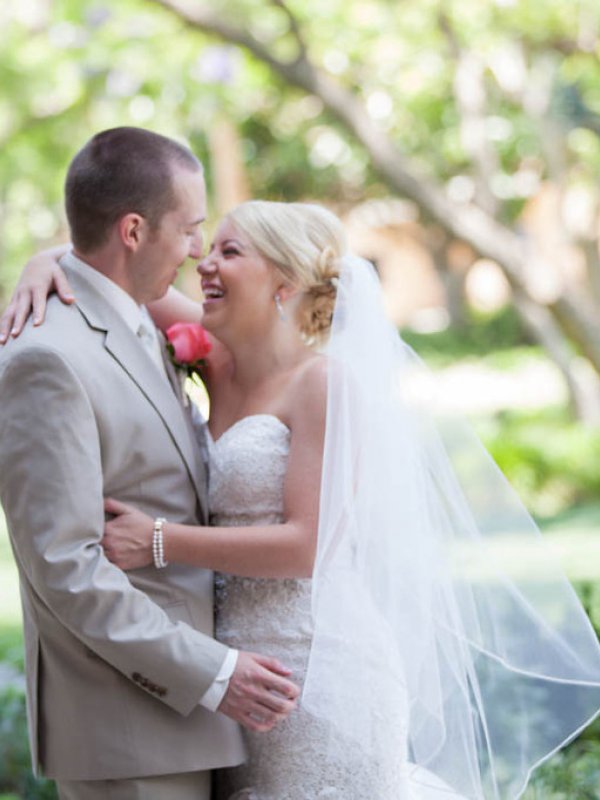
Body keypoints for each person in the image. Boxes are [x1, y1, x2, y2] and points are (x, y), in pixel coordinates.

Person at [5, 200, 600, 799]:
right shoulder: (215, 360)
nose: (202, 264)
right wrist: (41, 263)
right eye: (208, 248)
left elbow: (305, 544)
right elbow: (112, 266)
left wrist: (159, 540)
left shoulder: (324, 384)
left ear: (283, 283)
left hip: (319, 676)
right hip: (231, 677)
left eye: (228, 252)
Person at [0, 129, 300, 800]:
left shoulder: (138, 316)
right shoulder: (46, 358)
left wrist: (48, 255)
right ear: (133, 231)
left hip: (204, 720)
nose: (198, 252)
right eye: (191, 229)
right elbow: (64, 567)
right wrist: (215, 674)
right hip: (130, 737)